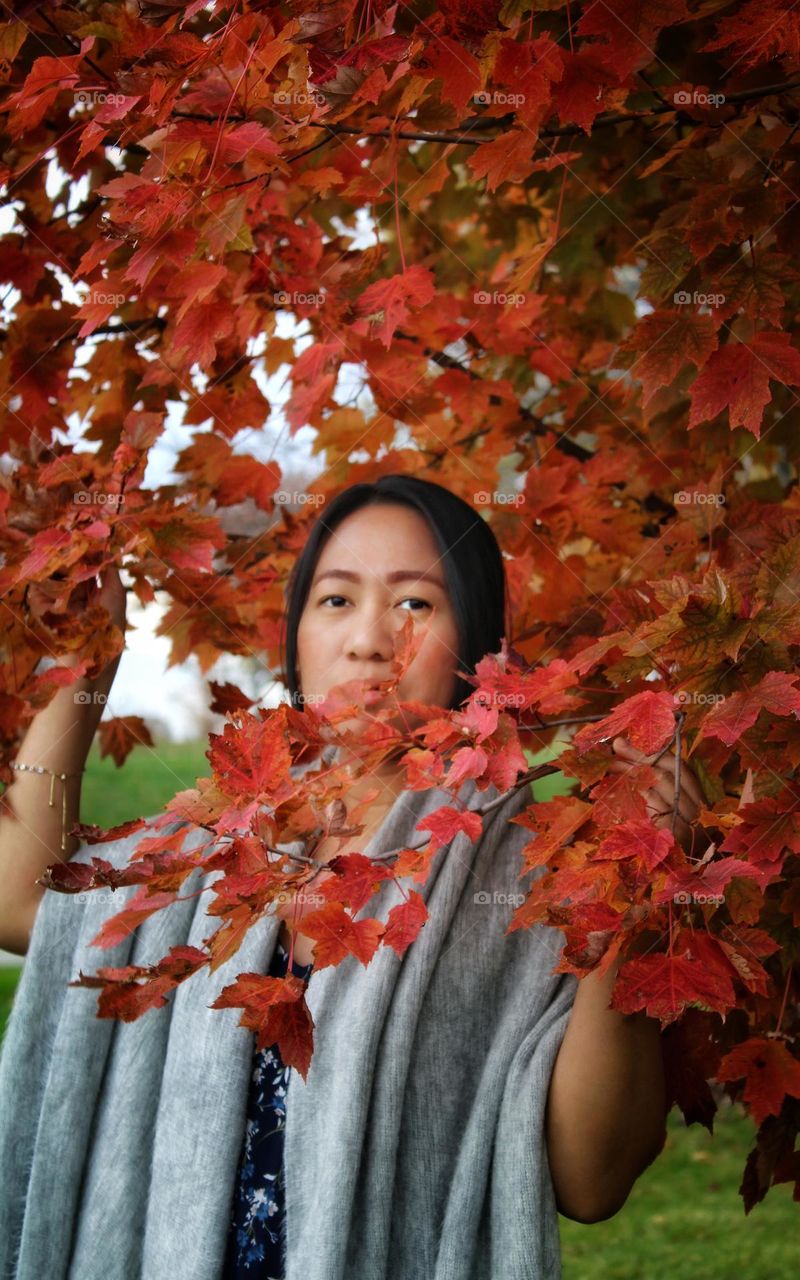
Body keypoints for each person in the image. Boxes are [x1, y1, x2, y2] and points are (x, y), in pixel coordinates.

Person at [0, 474, 703, 1280]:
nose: (370, 639)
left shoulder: (540, 875)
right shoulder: (208, 848)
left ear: (478, 649)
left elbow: (591, 1178)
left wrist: (636, 890)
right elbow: (24, 898)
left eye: (414, 604)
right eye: (336, 600)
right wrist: (86, 664)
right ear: (295, 637)